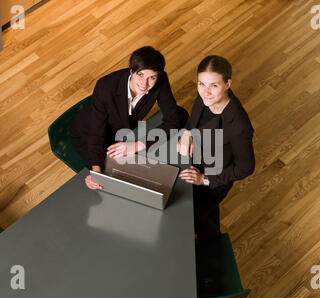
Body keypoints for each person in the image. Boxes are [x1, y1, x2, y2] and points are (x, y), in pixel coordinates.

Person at [70, 46, 188, 190]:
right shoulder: (105, 86)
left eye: (151, 77)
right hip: (88, 133)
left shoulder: (160, 80)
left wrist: (137, 145)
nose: (144, 84)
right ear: (131, 70)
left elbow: (174, 120)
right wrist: (96, 171)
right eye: (140, 75)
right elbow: (96, 133)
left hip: (124, 132)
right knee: (114, 176)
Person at [177, 55, 255, 238]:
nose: (205, 92)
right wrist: (187, 133)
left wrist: (203, 179)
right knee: (202, 215)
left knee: (189, 220)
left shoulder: (239, 126)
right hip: (194, 162)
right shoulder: (206, 97)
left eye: (214, 85)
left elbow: (246, 168)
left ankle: (213, 245)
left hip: (212, 181)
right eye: (201, 84)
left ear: (228, 84)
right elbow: (196, 112)